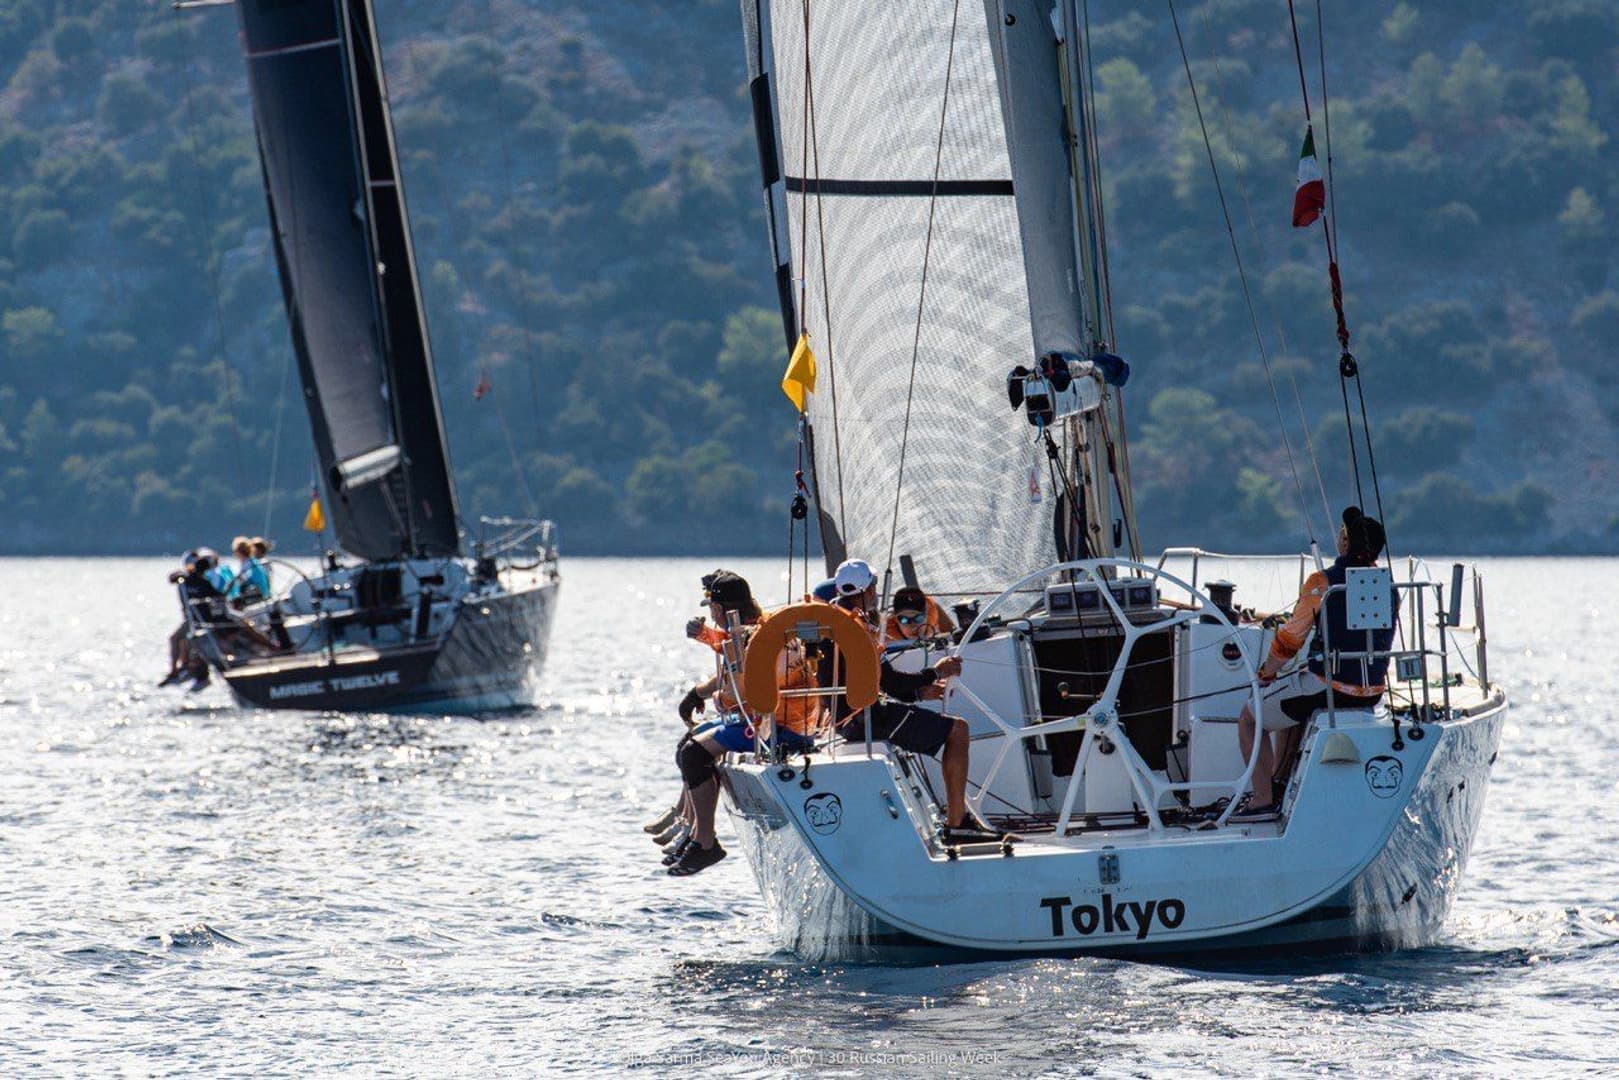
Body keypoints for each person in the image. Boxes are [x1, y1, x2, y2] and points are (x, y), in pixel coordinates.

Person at [1235, 506, 1398, 815]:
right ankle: (1281, 781)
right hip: (1373, 690)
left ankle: (1262, 799)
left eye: (1341, 534)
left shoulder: (1322, 582)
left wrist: (1266, 673)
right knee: (1289, 699)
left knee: (1249, 717)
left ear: (1345, 544)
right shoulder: (1389, 587)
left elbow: (1290, 640)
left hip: (1329, 687)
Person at [821, 559, 985, 842]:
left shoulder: (833, 621)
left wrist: (918, 692)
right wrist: (937, 671)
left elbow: (887, 683)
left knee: (942, 727)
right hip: (868, 718)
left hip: (848, 720)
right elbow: (891, 682)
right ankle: (957, 823)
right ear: (869, 590)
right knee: (958, 730)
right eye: (873, 588)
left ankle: (955, 818)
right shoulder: (860, 628)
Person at [885, 585, 955, 642]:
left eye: (918, 619)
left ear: (927, 613)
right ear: (896, 619)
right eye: (904, 620)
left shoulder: (933, 609)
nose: (912, 626)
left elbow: (953, 634)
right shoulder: (887, 634)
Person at [227, 536, 272, 606]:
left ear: (239, 552)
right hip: (259, 594)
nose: (234, 554)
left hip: (257, 597)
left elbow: (243, 581)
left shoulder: (249, 565)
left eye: (235, 552)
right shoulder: (252, 562)